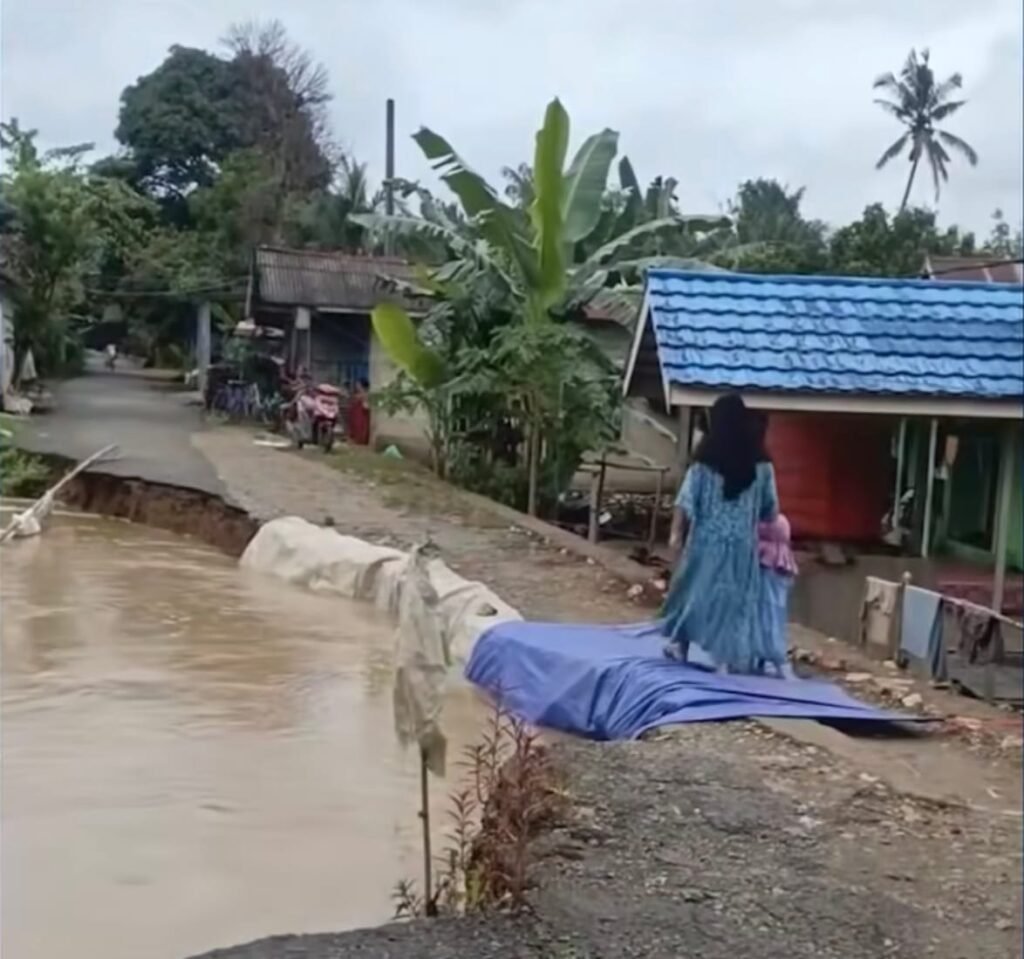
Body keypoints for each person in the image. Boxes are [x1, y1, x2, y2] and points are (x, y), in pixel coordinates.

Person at [662, 393, 780, 672]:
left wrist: (676, 534)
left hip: (705, 543)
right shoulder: (762, 466)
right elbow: (770, 510)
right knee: (736, 601)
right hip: (742, 547)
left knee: (694, 593)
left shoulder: (703, 463)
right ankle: (728, 658)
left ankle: (680, 644)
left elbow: (686, 501)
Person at [347, 378, 371, 446]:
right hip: (355, 414)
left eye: (358, 384)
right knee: (355, 426)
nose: (356, 385)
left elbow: (366, 406)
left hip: (361, 414)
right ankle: (355, 439)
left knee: (360, 427)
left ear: (361, 385)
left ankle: (360, 440)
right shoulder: (359, 394)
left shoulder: (365, 394)